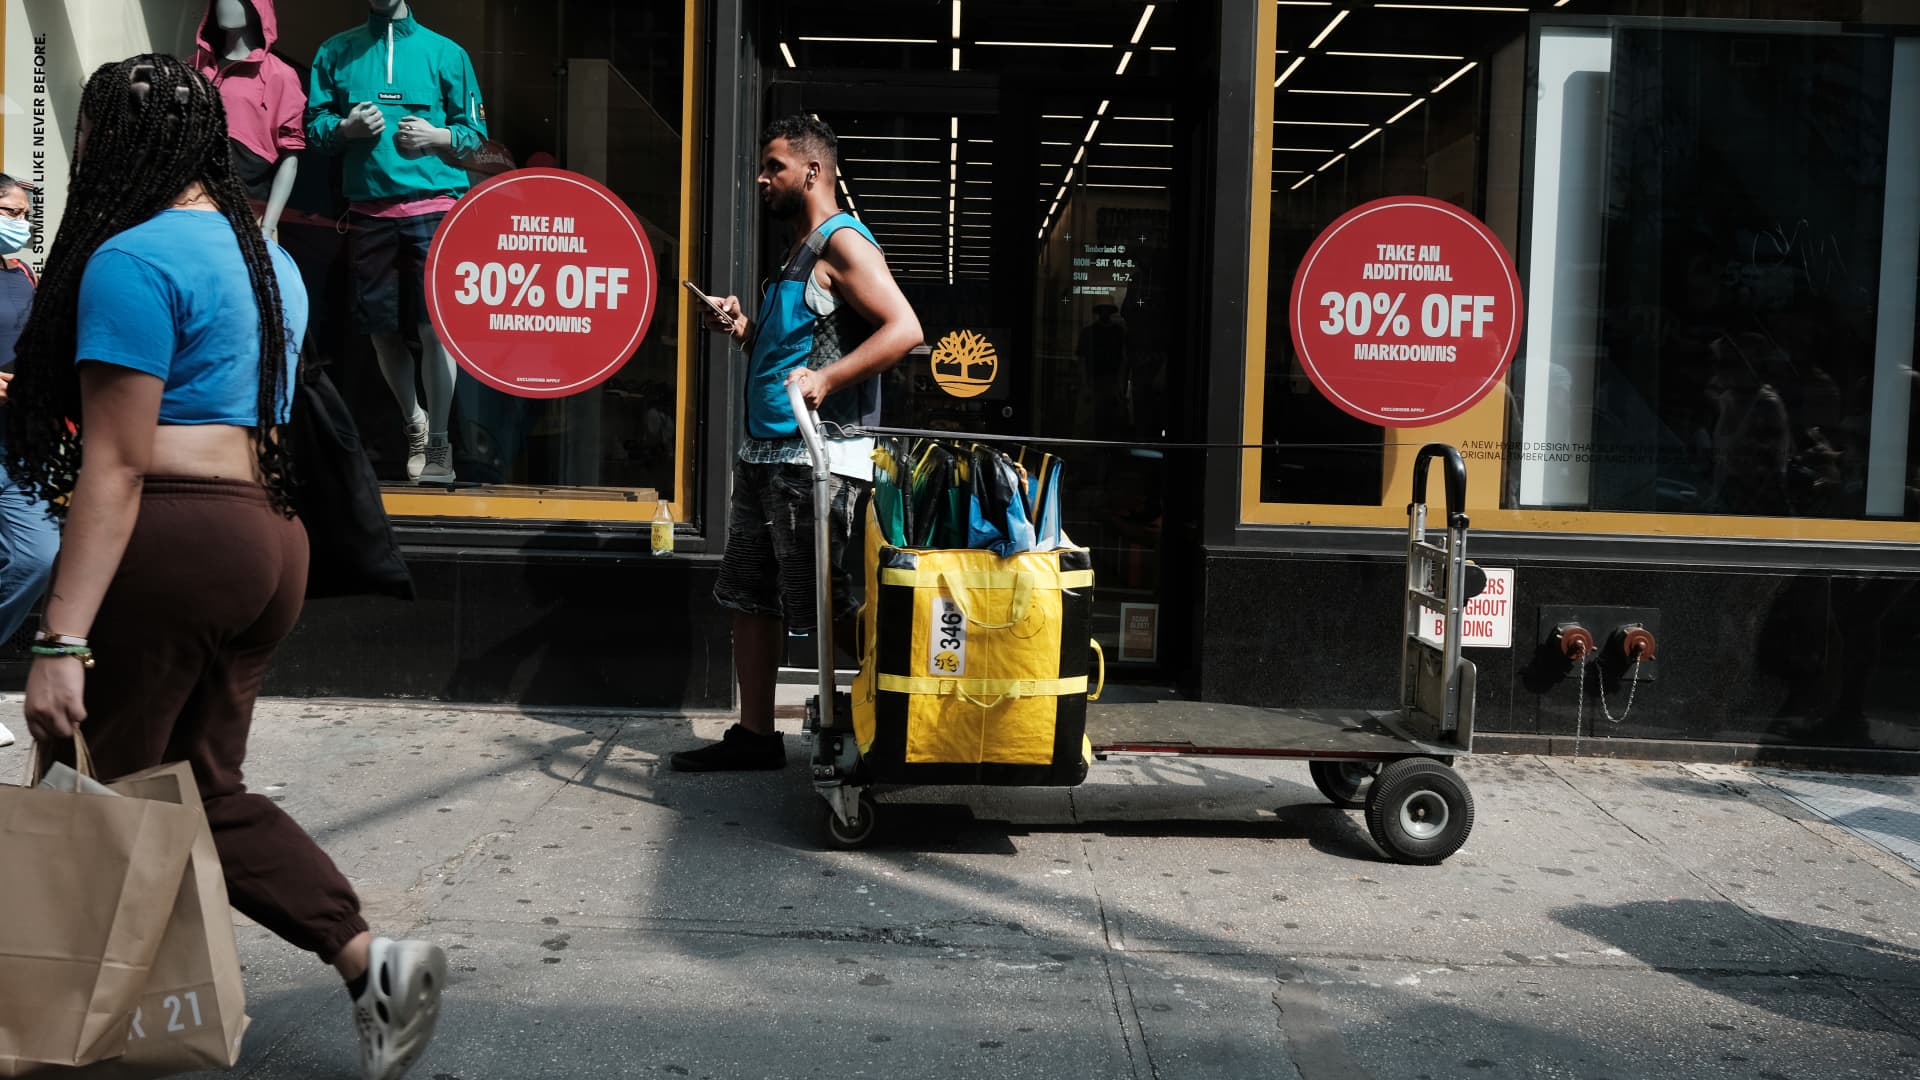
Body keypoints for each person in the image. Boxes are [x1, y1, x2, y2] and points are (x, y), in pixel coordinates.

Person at [5, 56, 445, 1080]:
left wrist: (61, 641)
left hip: (177, 541)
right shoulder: (268, 258)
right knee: (201, 785)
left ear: (114, 144)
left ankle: (63, 1031)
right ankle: (371, 962)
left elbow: (116, 465)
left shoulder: (130, 258)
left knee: (92, 785)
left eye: (90, 137)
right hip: (269, 540)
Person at [671, 115, 923, 772]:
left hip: (817, 460)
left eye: (774, 166)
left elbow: (904, 329)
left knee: (826, 605)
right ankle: (756, 737)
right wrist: (741, 329)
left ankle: (908, 713)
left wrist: (827, 380)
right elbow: (791, 353)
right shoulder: (800, 251)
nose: (762, 178)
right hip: (767, 456)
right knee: (749, 597)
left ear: (813, 171)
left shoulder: (844, 241)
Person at [307, 0, 487, 482]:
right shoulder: (335, 52)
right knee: (381, 329)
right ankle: (416, 423)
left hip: (435, 208)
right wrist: (345, 128)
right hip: (370, 211)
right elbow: (314, 130)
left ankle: (440, 444)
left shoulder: (447, 53)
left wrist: (436, 137)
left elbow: (476, 138)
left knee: (435, 329)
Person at [0, 174, 55, 749]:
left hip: (16, 441)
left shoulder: (22, 274)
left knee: (37, 557)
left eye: (22, 214)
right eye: (7, 210)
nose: (17, 222)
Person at [192, 0, 304, 242]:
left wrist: (268, 227)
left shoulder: (280, 75)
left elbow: (290, 157)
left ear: (259, 7)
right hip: (190, 209)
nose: (225, 4)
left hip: (247, 217)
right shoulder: (194, 69)